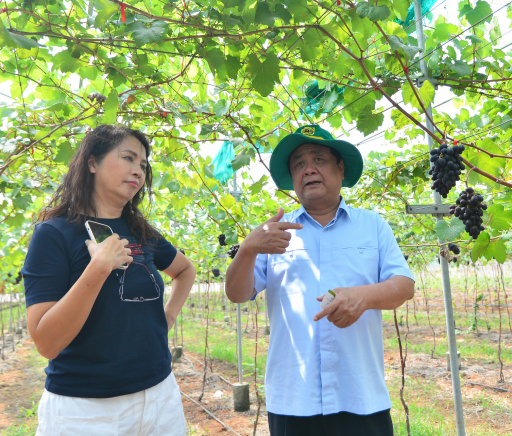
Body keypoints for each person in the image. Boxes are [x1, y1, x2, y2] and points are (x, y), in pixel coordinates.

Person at [225, 124, 415, 436]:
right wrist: (246, 250)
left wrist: (362, 297)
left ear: (341, 170)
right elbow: (237, 294)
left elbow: (403, 285)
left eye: (319, 160)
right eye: (298, 164)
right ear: (293, 180)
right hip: (294, 398)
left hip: (360, 394)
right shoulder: (273, 235)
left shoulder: (373, 225)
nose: (309, 170)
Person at [22, 124, 195, 436]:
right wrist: (98, 268)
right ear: (92, 163)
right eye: (128, 158)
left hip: (159, 396)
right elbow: (46, 342)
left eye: (143, 165)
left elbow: (185, 271)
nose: (138, 171)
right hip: (86, 410)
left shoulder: (141, 231)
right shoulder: (54, 234)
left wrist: (167, 316)